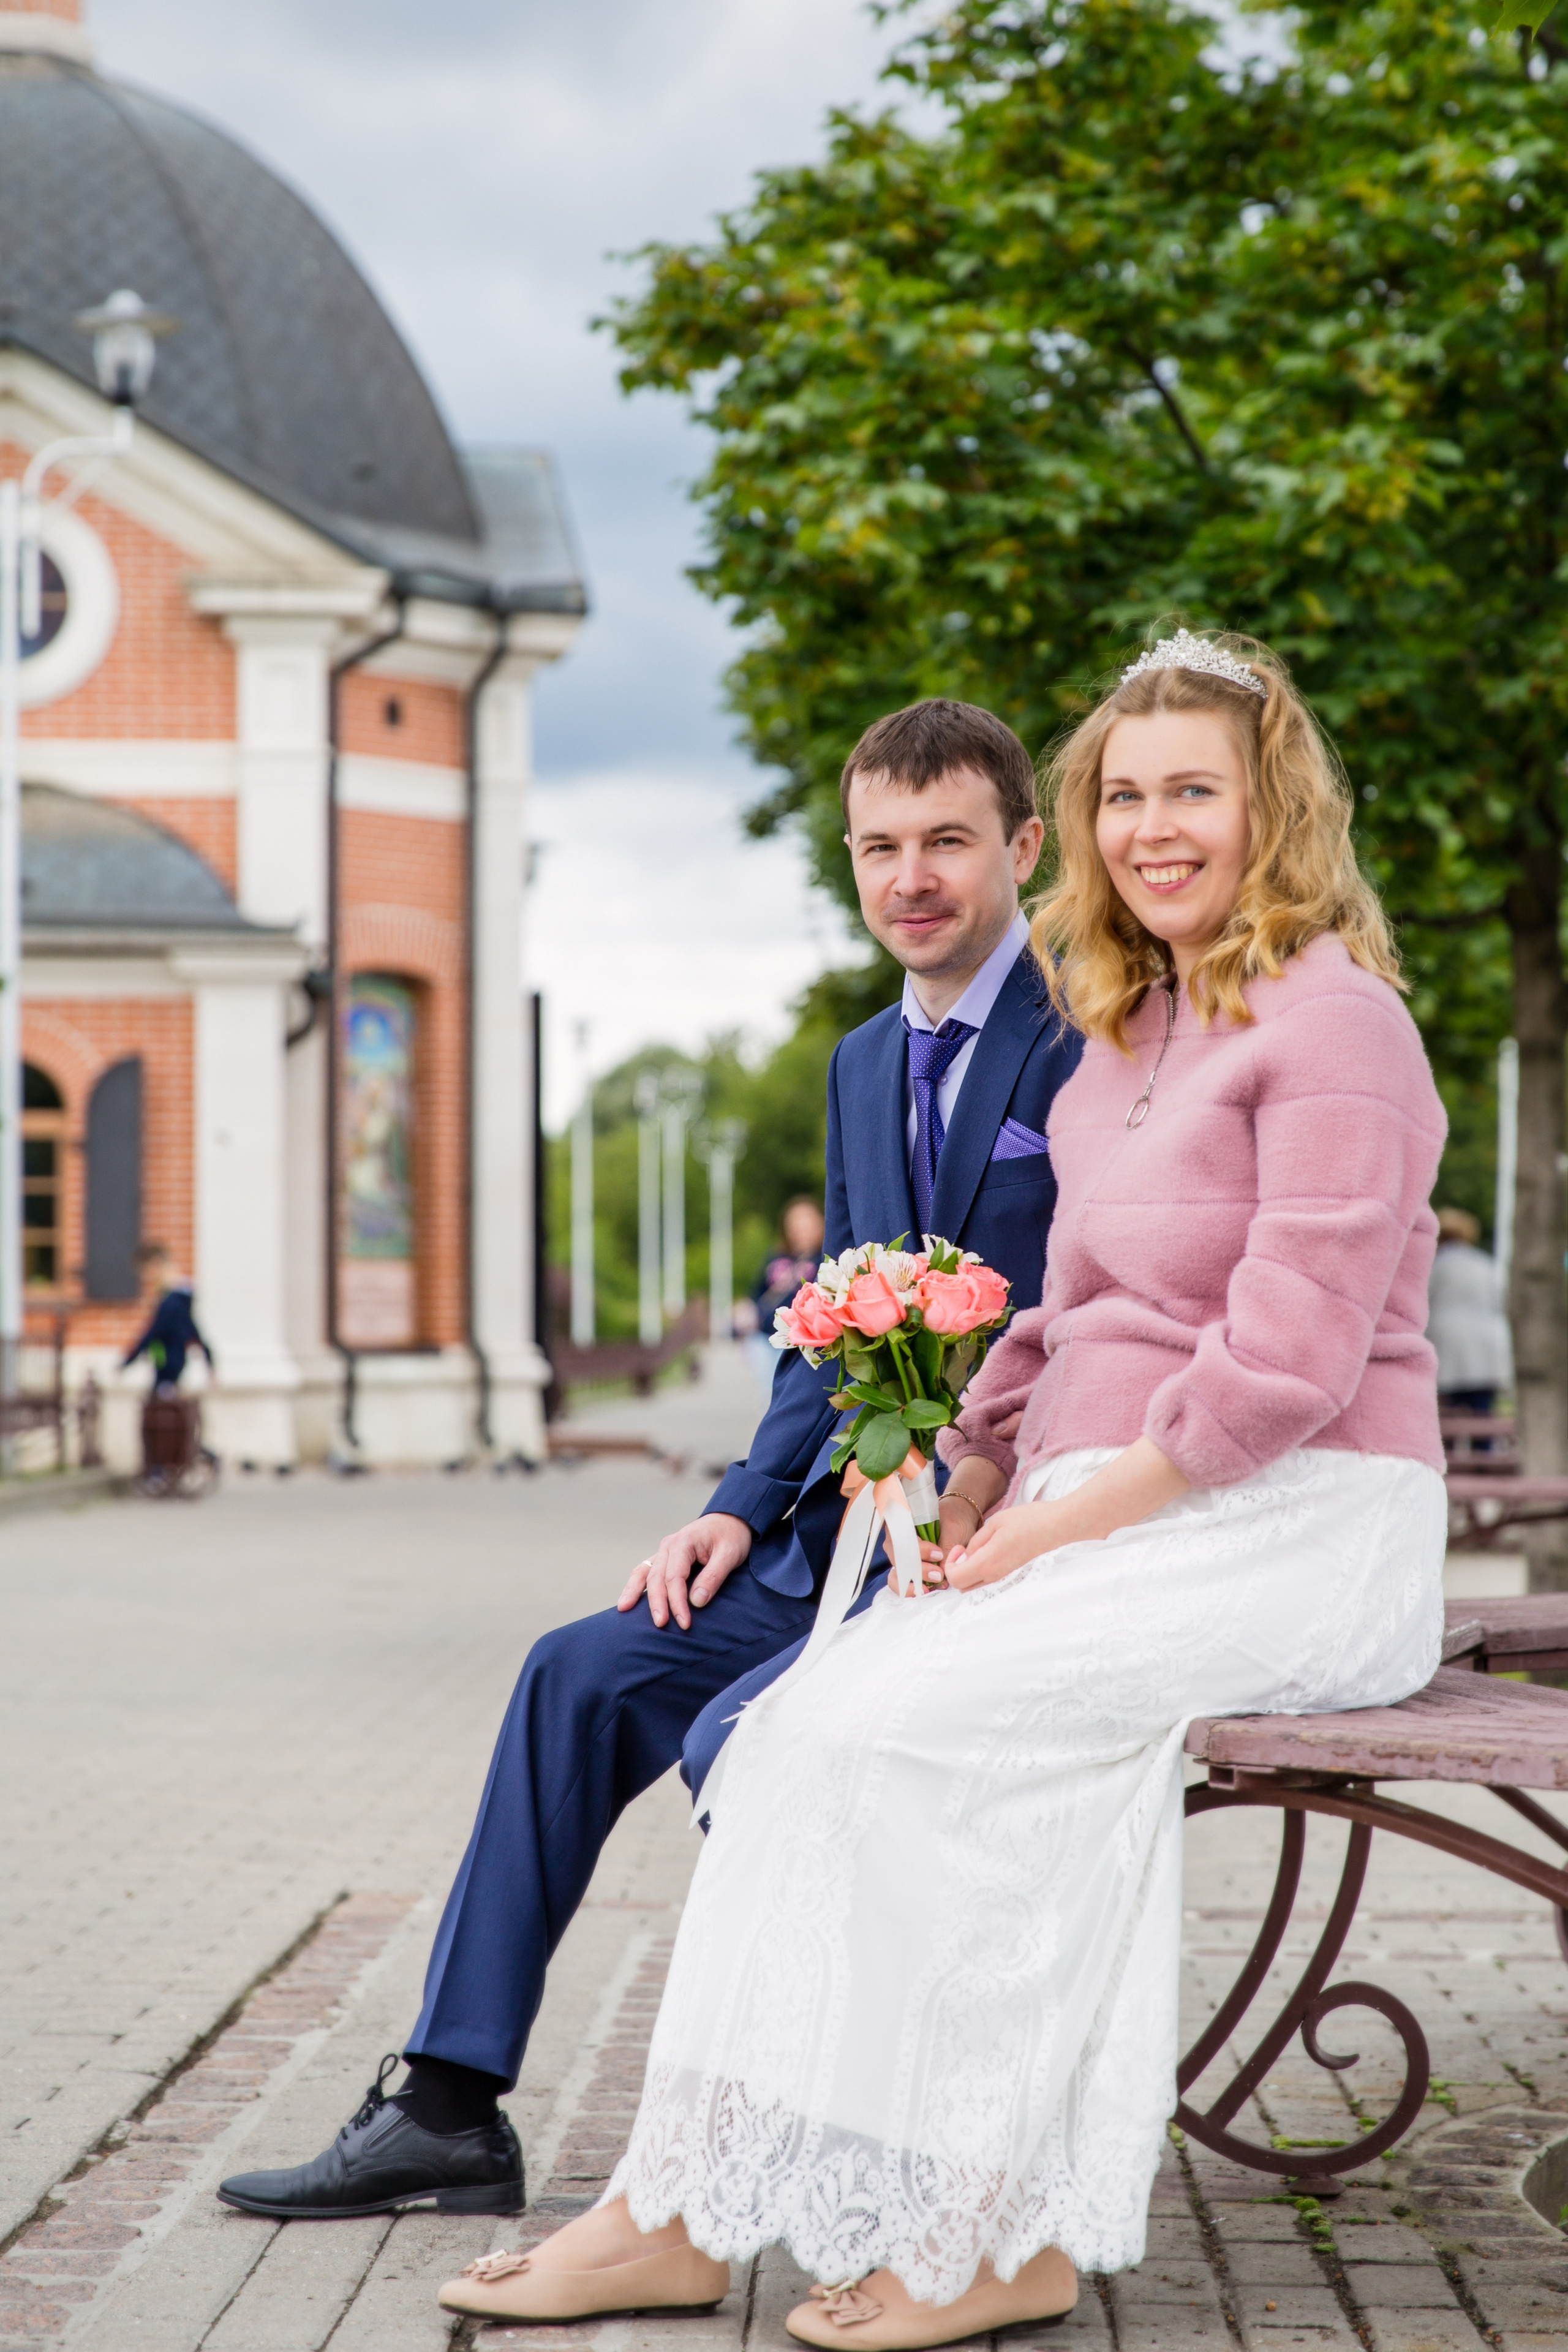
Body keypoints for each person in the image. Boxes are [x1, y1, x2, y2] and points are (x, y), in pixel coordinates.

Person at [437, 629, 1449, 2342]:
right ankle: (680, 2207)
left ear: (1277, 807)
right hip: (1123, 1510)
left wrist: (1045, 1524)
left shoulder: (1339, 1026)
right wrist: (977, 1464)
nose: (1153, 828)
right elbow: (1055, 1313)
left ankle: (1000, 2231)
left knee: (915, 1731)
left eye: (1193, 791)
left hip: (1298, 1525)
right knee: (798, 1738)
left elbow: (1284, 1374)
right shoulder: (1134, 1031)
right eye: (1124, 794)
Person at [217, 696, 1084, 2225]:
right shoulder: (858, 1058)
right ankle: (445, 2101)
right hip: (829, 1541)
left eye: (946, 839)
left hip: (996, 1548)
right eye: (879, 846)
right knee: (578, 1669)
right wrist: (734, 1511)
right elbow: (833, 1334)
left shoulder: (1093, 1040)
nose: (912, 876)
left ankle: (817, 2133)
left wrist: (987, 1478)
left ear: (1021, 844)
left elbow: (1108, 1307)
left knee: (741, 1743)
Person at [1428, 1205, 1512, 1419]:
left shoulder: (1436, 1264)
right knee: (1482, 1412)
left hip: (1447, 1340)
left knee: (1445, 1415)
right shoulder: (1485, 1263)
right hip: (1487, 1341)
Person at [744, 1197, 827, 1399]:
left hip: (801, 1341)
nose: (801, 1231)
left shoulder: (824, 1259)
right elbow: (757, 1292)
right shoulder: (776, 1256)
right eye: (795, 1225)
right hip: (766, 1336)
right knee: (769, 1395)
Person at [122, 1246, 212, 1393]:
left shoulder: (173, 1301)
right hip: (166, 1359)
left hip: (169, 1362)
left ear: (155, 1265)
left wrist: (129, 1359)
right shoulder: (175, 1298)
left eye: (146, 1272)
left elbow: (155, 1331)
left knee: (162, 1407)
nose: (147, 1278)